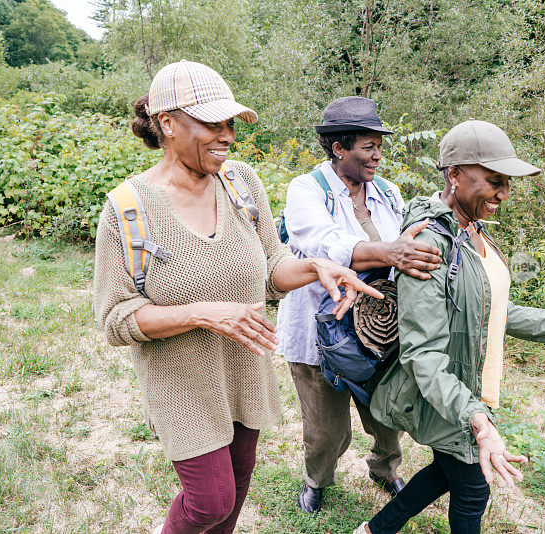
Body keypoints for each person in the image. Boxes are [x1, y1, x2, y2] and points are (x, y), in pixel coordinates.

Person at [92, 61, 380, 534]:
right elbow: (116, 318)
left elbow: (271, 268)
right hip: (181, 384)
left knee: (236, 491)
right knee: (209, 501)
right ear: (167, 123)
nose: (227, 136)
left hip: (244, 370)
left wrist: (314, 266)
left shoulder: (241, 184)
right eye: (212, 124)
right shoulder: (128, 209)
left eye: (230, 124)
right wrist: (201, 314)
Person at [354, 120, 545, 534]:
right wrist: (476, 417)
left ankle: (374, 530)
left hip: (471, 385)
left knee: (447, 471)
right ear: (454, 174)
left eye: (507, 183)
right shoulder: (430, 245)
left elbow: (488, 308)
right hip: (449, 392)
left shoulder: (472, 230)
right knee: (473, 489)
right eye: (494, 181)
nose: (504, 194)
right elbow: (422, 353)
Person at [276, 96, 444, 513]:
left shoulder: (388, 192)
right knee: (325, 427)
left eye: (379, 146)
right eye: (369, 147)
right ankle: (317, 479)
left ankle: (385, 469)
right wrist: (392, 253)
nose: (378, 156)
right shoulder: (306, 190)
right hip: (323, 331)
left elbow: (408, 241)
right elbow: (326, 246)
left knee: (389, 413)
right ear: (338, 148)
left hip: (381, 329)